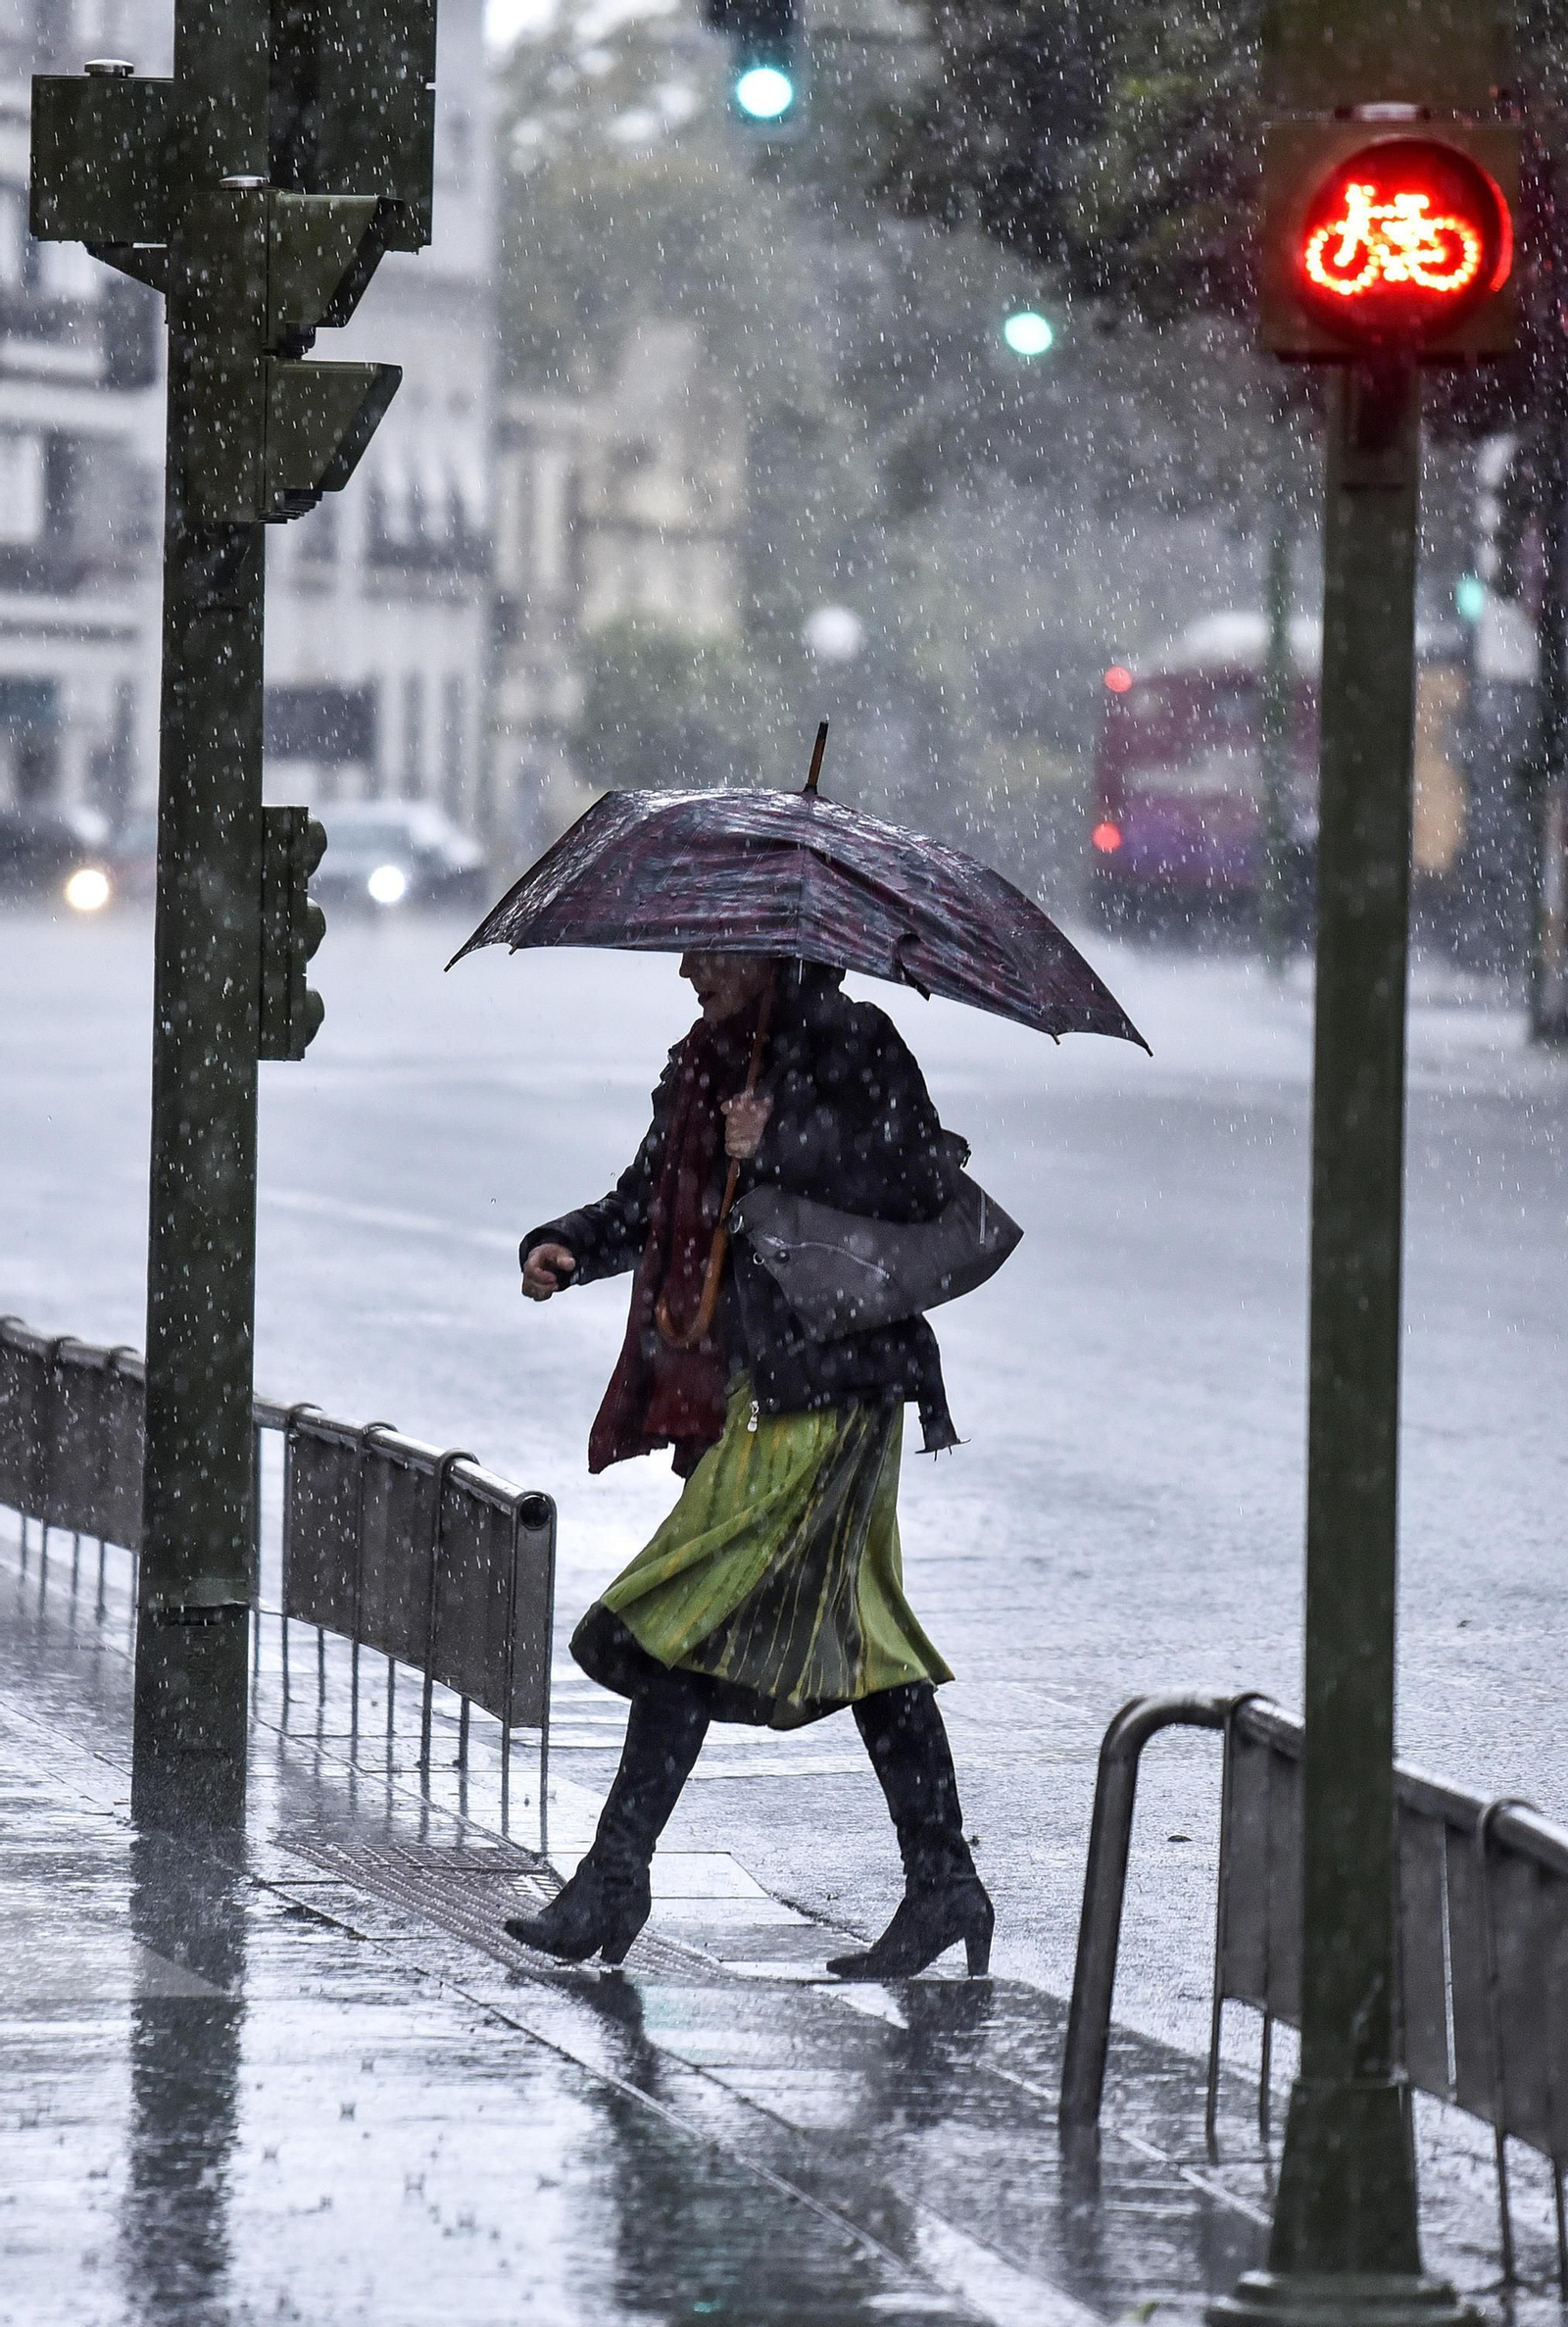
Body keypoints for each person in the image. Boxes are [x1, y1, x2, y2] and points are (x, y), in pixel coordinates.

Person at [505, 949, 992, 1980]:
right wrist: (564, 1245)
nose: (686, 969)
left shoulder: (852, 1042)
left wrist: (785, 1142)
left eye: (710, 950)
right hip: (751, 1382)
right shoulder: (702, 1065)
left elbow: (915, 1177)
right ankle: (942, 1879)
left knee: (682, 1602)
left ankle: (614, 1874)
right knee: (864, 1638)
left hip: (831, 1381)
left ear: (770, 951)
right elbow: (649, 1199)